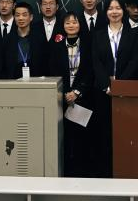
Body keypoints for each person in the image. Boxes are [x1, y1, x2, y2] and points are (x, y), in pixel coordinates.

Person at [91, 0, 138, 177]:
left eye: (118, 8)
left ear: (123, 11)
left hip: (125, 91)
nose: (114, 12)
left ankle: (125, 171)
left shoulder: (133, 34)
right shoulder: (98, 35)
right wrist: (107, 85)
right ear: (106, 12)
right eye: (111, 8)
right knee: (103, 133)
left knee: (125, 132)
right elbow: (96, 62)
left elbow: (134, 61)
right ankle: (104, 173)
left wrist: (120, 85)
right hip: (103, 91)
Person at [47, 11, 94, 177]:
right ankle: (66, 173)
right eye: (67, 23)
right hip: (62, 99)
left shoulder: (88, 44)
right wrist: (65, 93)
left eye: (74, 22)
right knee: (64, 139)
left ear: (80, 25)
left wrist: (77, 92)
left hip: (84, 97)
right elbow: (53, 70)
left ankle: (84, 173)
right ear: (62, 26)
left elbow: (90, 71)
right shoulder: (56, 45)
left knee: (83, 139)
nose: (71, 25)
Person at [3, 2, 46, 78]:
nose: (21, 18)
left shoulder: (39, 38)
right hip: (13, 80)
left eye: (24, 15)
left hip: (36, 80)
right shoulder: (8, 39)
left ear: (31, 17)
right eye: (17, 15)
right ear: (14, 17)